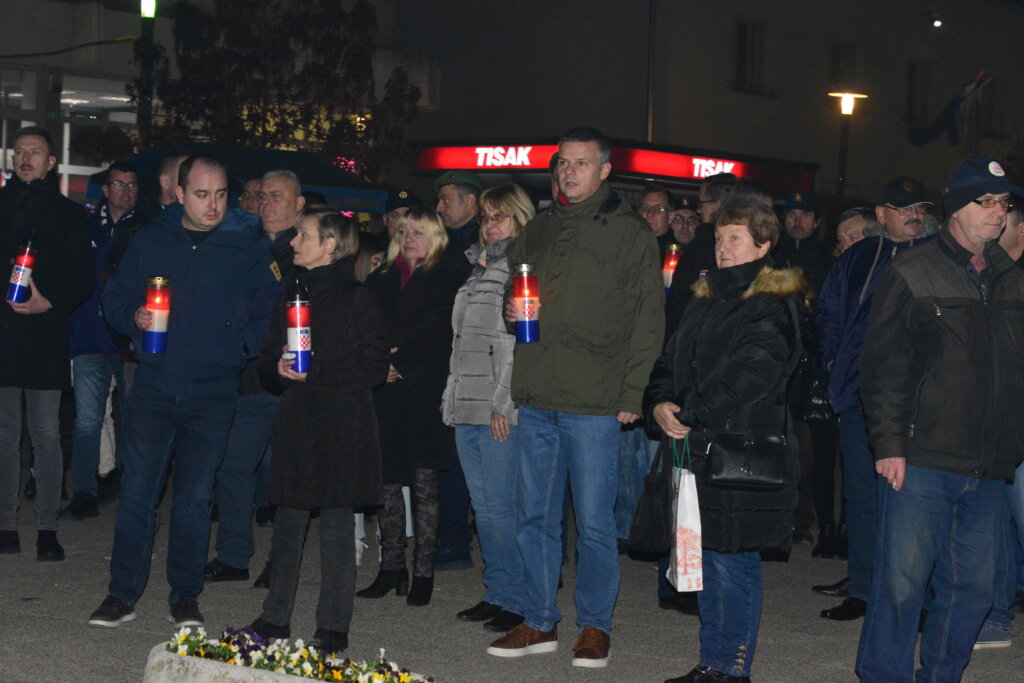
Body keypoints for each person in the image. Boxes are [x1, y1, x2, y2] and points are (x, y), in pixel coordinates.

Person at [486, 127, 663, 668]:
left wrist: (633, 390)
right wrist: (510, 314)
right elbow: (515, 299)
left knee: (593, 521)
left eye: (581, 164)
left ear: (605, 170)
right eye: (563, 163)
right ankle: (539, 619)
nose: (569, 172)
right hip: (538, 391)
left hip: (595, 399)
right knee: (534, 515)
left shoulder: (630, 233)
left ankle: (595, 625)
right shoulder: (538, 228)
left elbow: (648, 319)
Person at [89, 155, 280, 629]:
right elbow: (112, 297)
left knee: (195, 497)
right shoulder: (152, 238)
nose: (213, 205)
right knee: (138, 493)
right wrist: (133, 316)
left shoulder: (246, 243)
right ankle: (121, 594)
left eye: (220, 195)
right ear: (178, 193)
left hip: (214, 388)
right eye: (201, 194)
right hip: (154, 383)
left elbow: (270, 307)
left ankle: (185, 596)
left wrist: (241, 346)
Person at [856, 156, 1024, 682]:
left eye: (1005, 204)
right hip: (923, 456)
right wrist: (888, 445)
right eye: (987, 202)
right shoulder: (913, 270)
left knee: (973, 588)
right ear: (956, 208)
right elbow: (884, 367)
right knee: (902, 583)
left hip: (990, 463)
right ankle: (885, 675)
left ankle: (941, 676)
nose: (998, 214)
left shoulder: (1012, 280)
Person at [646, 198, 805, 683]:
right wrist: (659, 402)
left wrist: (689, 413)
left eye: (735, 238)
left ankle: (732, 667)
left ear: (763, 244)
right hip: (696, 445)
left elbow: (752, 371)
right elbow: (671, 360)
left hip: (741, 451)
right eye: (719, 238)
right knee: (705, 556)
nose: (723, 247)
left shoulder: (771, 301)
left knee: (734, 561)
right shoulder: (706, 296)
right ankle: (711, 661)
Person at [246, 211, 388, 655]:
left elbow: (373, 366)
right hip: (297, 422)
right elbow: (267, 359)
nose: (292, 243)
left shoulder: (357, 297)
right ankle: (274, 618)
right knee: (287, 528)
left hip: (342, 424)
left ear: (331, 245)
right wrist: (280, 370)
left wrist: (316, 372)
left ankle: (332, 626)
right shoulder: (290, 292)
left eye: (303, 236)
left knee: (335, 531)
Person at [813, 176, 935, 621]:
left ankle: (911, 598)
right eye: (903, 209)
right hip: (858, 395)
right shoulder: (861, 257)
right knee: (862, 497)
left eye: (919, 207)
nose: (913, 215)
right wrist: (835, 363)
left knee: (910, 501)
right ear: (881, 215)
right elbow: (828, 312)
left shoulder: (939, 256)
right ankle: (863, 590)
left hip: (916, 401)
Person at [359, 206, 465, 606]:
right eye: (403, 231)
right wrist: (377, 362)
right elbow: (363, 322)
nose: (408, 238)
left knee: (424, 482)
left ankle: (424, 570)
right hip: (384, 390)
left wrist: (397, 363)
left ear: (436, 236)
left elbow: (442, 331)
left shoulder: (449, 275)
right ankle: (390, 566)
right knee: (386, 482)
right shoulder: (381, 276)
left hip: (424, 388)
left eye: (418, 232)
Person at [442, 184, 534, 633]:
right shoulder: (478, 267)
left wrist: (505, 403)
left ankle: (518, 596)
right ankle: (497, 590)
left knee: (501, 507)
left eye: (500, 217)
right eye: (487, 217)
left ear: (519, 220)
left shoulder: (519, 267)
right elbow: (462, 341)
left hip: (498, 405)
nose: (491, 225)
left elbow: (517, 343)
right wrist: (451, 399)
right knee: (484, 506)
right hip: (468, 402)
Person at [0, 126, 95, 560]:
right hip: (2, 334)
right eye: (19, 152)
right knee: (4, 435)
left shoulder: (71, 214)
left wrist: (49, 303)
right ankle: (5, 524)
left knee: (45, 434)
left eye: (34, 152)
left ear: (51, 162)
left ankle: (46, 527)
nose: (25, 159)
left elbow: (84, 279)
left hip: (45, 334)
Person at [206, 169, 304, 586]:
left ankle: (280, 563)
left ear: (299, 205)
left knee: (286, 476)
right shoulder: (248, 245)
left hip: (285, 377)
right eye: (261, 195)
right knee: (233, 467)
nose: (266, 203)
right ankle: (233, 556)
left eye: (277, 196)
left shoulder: (304, 250)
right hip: (247, 377)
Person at [64, 161, 150, 520]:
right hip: (89, 335)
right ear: (106, 189)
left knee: (135, 418)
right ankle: (85, 490)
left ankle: (133, 485)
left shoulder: (147, 230)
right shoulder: (84, 228)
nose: (125, 192)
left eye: (131, 186)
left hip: (132, 340)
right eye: (118, 185)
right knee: (88, 420)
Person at [433, 170, 483, 570]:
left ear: (471, 203)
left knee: (463, 462)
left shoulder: (479, 248)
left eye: (447, 200)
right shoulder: (446, 244)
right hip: (447, 362)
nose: (439, 208)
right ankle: (449, 539)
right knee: (448, 459)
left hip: (476, 367)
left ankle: (455, 542)